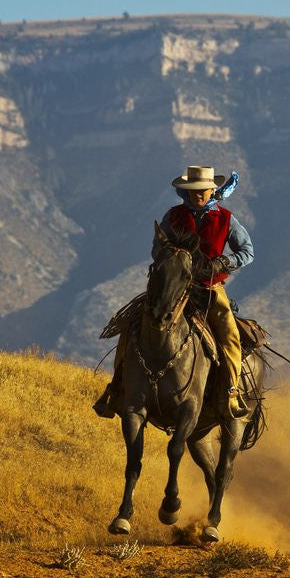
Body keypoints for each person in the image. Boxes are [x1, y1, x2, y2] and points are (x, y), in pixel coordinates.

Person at [96, 165, 254, 422]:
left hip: (210, 289)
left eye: (202, 190)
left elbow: (247, 252)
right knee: (131, 327)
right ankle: (117, 390)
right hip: (172, 287)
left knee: (230, 337)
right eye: (193, 191)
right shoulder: (174, 215)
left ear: (212, 190)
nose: (198, 195)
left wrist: (223, 263)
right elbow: (156, 247)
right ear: (186, 192)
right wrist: (167, 260)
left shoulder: (226, 219)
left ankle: (231, 394)